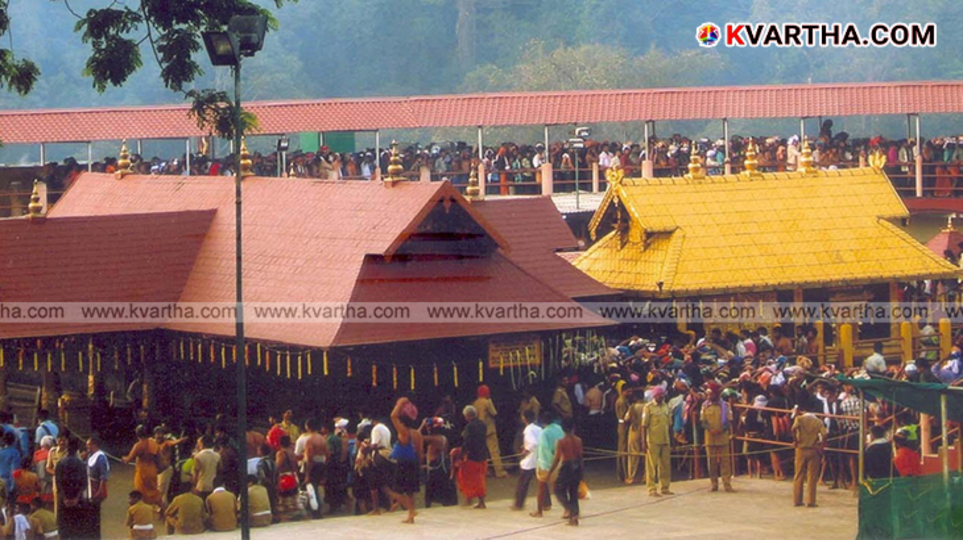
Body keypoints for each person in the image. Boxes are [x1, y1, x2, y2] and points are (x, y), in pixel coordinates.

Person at [390, 397, 423, 524]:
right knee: (409, 492)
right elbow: (420, 453)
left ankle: (411, 510)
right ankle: (411, 515)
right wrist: (419, 466)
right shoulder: (417, 434)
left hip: (404, 463)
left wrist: (400, 403)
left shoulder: (404, 432)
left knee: (396, 491)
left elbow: (393, 416)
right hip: (413, 462)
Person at [792, 399, 827, 507]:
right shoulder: (818, 421)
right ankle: (810, 501)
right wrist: (821, 444)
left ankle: (797, 500)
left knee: (798, 475)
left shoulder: (799, 419)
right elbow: (824, 434)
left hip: (801, 448)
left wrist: (795, 440)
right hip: (813, 449)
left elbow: (793, 428)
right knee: (812, 476)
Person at [549, 417, 583, 527]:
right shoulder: (578, 440)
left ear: (563, 429)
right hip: (576, 466)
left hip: (566, 466)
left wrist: (550, 471)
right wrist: (582, 472)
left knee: (558, 490)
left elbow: (557, 458)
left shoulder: (561, 442)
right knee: (573, 491)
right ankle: (575, 514)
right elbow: (580, 457)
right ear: (574, 428)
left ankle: (570, 509)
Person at [701, 382, 734, 493]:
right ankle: (714, 484)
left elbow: (729, 421)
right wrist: (710, 429)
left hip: (723, 438)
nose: (709, 396)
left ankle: (727, 484)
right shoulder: (705, 405)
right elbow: (702, 422)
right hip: (710, 438)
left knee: (725, 462)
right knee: (712, 462)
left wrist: (722, 429)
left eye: (711, 394)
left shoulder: (725, 406)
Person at [530, 410, 562, 518]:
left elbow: (544, 450)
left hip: (547, 464)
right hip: (561, 461)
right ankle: (568, 509)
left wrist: (545, 466)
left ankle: (539, 510)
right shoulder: (558, 428)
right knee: (560, 488)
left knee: (541, 487)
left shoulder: (544, 433)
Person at [55, 437, 88, 539]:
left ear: (67, 449)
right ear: (77, 449)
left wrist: (65, 498)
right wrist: (76, 498)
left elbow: (58, 482)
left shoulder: (60, 463)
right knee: (77, 529)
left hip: (63, 499)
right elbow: (84, 483)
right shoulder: (81, 464)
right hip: (78, 500)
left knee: (64, 529)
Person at [643, 386, 673, 496]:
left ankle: (665, 487)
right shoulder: (648, 407)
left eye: (663, 395)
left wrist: (672, 439)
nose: (662, 397)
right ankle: (652, 489)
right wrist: (643, 442)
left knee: (665, 465)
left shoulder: (666, 406)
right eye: (660, 396)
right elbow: (644, 426)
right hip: (653, 440)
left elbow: (669, 425)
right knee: (651, 466)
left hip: (665, 440)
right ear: (655, 396)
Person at [456, 405, 488, 509]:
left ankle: (472, 499)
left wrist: (461, 455)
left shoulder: (470, 427)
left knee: (468, 478)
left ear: (468, 415)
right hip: (483, 454)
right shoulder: (482, 424)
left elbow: (467, 442)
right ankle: (476, 500)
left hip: (473, 456)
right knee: (480, 478)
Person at [122, 425, 161, 506]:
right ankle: (161, 509)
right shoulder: (153, 443)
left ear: (137, 434)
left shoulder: (138, 445)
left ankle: (142, 510)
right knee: (154, 491)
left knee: (140, 492)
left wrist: (124, 458)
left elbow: (129, 459)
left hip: (142, 472)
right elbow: (159, 458)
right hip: (152, 470)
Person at [422, 417, 457, 508]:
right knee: (443, 491)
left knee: (430, 492)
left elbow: (416, 437)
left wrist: (421, 425)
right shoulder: (443, 438)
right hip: (440, 467)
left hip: (435, 468)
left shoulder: (433, 439)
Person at [473, 385, 506, 478]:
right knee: (494, 451)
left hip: (479, 431)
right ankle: (499, 471)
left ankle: (484, 471)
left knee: (483, 452)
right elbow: (494, 413)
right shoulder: (487, 402)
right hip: (489, 430)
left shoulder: (475, 403)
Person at [512, 409, 541, 510]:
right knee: (541, 481)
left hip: (530, 458)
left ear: (524, 418)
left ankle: (518, 504)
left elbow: (533, 443)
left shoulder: (528, 429)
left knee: (523, 481)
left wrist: (526, 451)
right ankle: (546, 503)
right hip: (539, 456)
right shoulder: (538, 428)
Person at [301, 418, 329, 520]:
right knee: (317, 487)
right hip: (321, 463)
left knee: (312, 488)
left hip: (313, 465)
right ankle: (318, 510)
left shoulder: (310, 440)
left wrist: (307, 473)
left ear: (307, 427)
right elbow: (327, 454)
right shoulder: (322, 439)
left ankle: (315, 511)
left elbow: (309, 458)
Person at [153, 427, 186, 508]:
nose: (159, 436)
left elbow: (174, 442)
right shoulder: (153, 443)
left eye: (160, 434)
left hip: (165, 470)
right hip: (156, 471)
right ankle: (161, 508)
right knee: (157, 491)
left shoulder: (167, 443)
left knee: (162, 492)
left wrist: (180, 440)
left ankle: (164, 510)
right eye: (157, 434)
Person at [85, 436, 109, 538]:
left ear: (94, 445)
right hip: (90, 485)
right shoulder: (91, 455)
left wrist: (100, 490)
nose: (87, 447)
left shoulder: (100, 457)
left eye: (89, 445)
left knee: (95, 512)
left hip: (96, 486)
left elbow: (103, 476)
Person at [274, 435, 301, 522]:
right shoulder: (292, 452)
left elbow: (278, 466)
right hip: (293, 476)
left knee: (283, 500)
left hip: (284, 477)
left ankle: (286, 518)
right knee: (293, 498)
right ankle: (295, 515)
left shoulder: (281, 453)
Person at [624, 390, 645, 484]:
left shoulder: (632, 407)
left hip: (635, 431)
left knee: (633, 455)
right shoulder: (647, 406)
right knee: (646, 454)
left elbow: (626, 418)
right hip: (646, 432)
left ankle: (632, 476)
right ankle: (645, 476)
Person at [255, 443, 278, 522]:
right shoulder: (273, 462)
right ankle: (275, 516)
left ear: (261, 452)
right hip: (274, 484)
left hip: (265, 486)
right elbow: (276, 473)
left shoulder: (260, 463)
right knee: (273, 501)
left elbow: (262, 476)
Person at [191, 436, 219, 501]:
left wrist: (193, 486)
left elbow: (196, 473)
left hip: (201, 486)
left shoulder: (198, 456)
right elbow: (220, 469)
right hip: (213, 485)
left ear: (202, 444)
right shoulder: (217, 455)